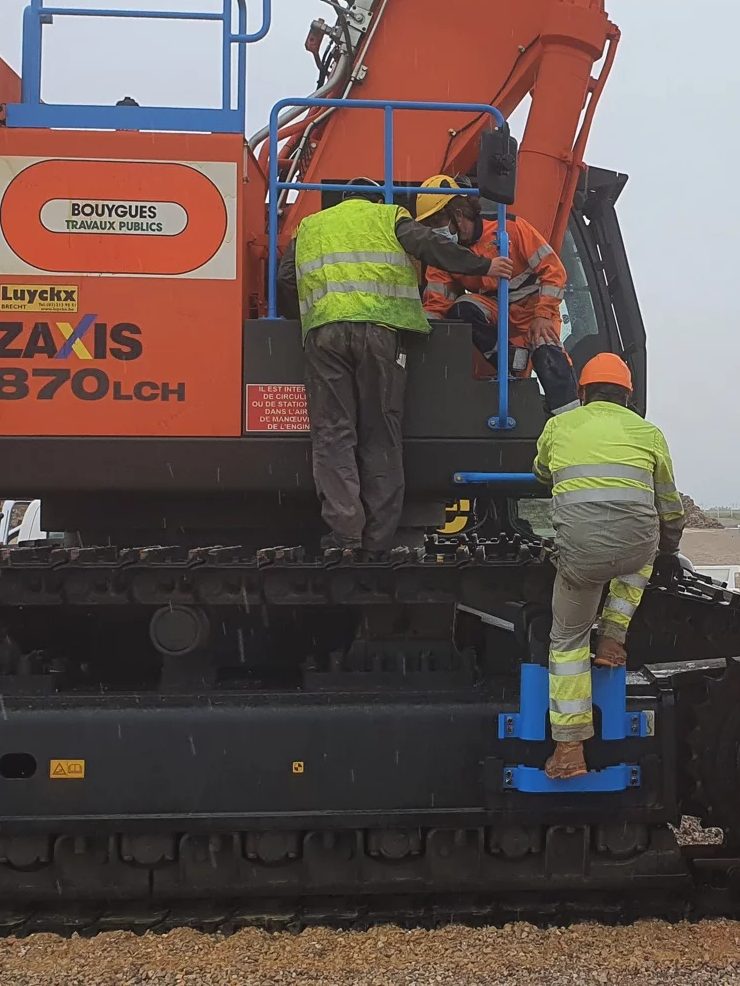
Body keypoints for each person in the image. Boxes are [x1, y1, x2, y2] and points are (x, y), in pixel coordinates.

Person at [279, 190, 514, 555]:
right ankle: (377, 542)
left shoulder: (308, 227)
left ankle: (345, 535)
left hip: (324, 335)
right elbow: (429, 247)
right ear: (372, 198)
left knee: (333, 435)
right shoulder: (389, 216)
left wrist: (311, 316)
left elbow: (286, 280)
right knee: (381, 433)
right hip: (380, 333)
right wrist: (484, 266)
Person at [530, 352, 683, 779]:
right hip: (635, 551)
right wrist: (668, 549)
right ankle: (614, 638)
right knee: (643, 549)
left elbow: (542, 471)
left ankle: (570, 748)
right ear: (628, 396)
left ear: (582, 392)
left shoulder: (560, 425)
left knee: (566, 641)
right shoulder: (649, 433)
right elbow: (670, 507)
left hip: (580, 557)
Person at [416, 175, 577, 414]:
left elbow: (553, 272)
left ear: (458, 215)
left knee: (548, 355)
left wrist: (543, 314)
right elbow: (437, 305)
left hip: (535, 312)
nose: (434, 230)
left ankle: (569, 418)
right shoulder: (444, 256)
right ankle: (510, 360)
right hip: (496, 311)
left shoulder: (511, 228)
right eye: (429, 225)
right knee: (463, 308)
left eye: (437, 221)